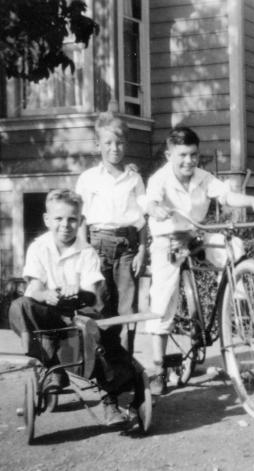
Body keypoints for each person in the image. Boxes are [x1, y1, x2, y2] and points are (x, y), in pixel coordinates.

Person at [144, 126, 254, 395]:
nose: (188, 161)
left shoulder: (203, 177)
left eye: (193, 155)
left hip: (197, 233)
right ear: (169, 155)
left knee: (232, 245)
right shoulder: (159, 179)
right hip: (170, 239)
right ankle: (156, 367)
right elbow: (150, 203)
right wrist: (157, 209)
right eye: (182, 156)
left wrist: (251, 200)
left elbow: (225, 195)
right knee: (163, 297)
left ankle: (239, 303)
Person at [8, 189, 145, 426]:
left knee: (96, 334)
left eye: (72, 219)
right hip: (49, 314)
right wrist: (46, 294)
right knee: (20, 305)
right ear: (47, 220)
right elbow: (36, 287)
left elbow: (93, 294)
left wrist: (79, 291)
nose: (65, 225)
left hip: (78, 315)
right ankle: (46, 360)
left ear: (81, 221)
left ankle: (108, 399)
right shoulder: (39, 247)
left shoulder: (87, 252)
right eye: (59, 219)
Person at [76, 112, 147, 352]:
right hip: (97, 246)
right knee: (100, 305)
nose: (114, 148)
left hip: (128, 248)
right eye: (108, 143)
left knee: (127, 309)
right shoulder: (88, 179)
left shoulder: (134, 179)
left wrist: (142, 250)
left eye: (119, 143)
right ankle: (105, 363)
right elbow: (81, 220)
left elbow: (143, 218)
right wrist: (84, 250)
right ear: (98, 145)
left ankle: (125, 365)